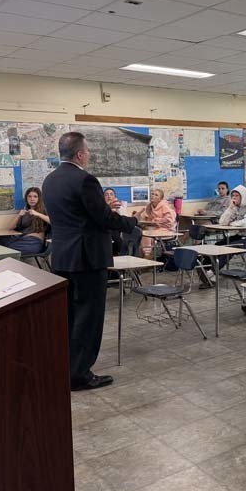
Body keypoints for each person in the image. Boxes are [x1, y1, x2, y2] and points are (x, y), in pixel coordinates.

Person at [42, 132, 138, 391]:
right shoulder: (85, 179)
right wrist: (131, 221)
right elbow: (103, 218)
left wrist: (104, 208)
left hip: (62, 257)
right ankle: (79, 374)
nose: (89, 155)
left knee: (69, 316)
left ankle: (66, 366)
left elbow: (77, 214)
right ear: (80, 154)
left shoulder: (50, 180)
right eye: (88, 151)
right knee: (88, 318)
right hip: (86, 259)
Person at [0, 187, 50, 255]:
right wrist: (19, 215)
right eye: (29, 196)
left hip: (33, 242)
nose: (32, 199)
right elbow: (10, 228)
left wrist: (37, 214)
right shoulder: (25, 211)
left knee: (7, 251)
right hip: (21, 238)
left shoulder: (43, 209)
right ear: (26, 198)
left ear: (39, 198)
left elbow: (53, 222)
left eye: (35, 196)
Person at [133, 188, 177, 258]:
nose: (153, 196)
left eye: (156, 195)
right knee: (139, 232)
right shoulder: (149, 206)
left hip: (165, 229)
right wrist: (139, 217)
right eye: (152, 194)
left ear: (160, 199)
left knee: (147, 234)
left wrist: (157, 220)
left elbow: (170, 220)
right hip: (153, 228)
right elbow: (145, 217)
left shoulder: (165, 206)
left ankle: (147, 255)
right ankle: (141, 255)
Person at [103, 187, 142, 257]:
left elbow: (126, 221)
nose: (109, 196)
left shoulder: (120, 208)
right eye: (106, 194)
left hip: (120, 236)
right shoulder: (101, 209)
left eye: (111, 194)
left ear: (115, 197)